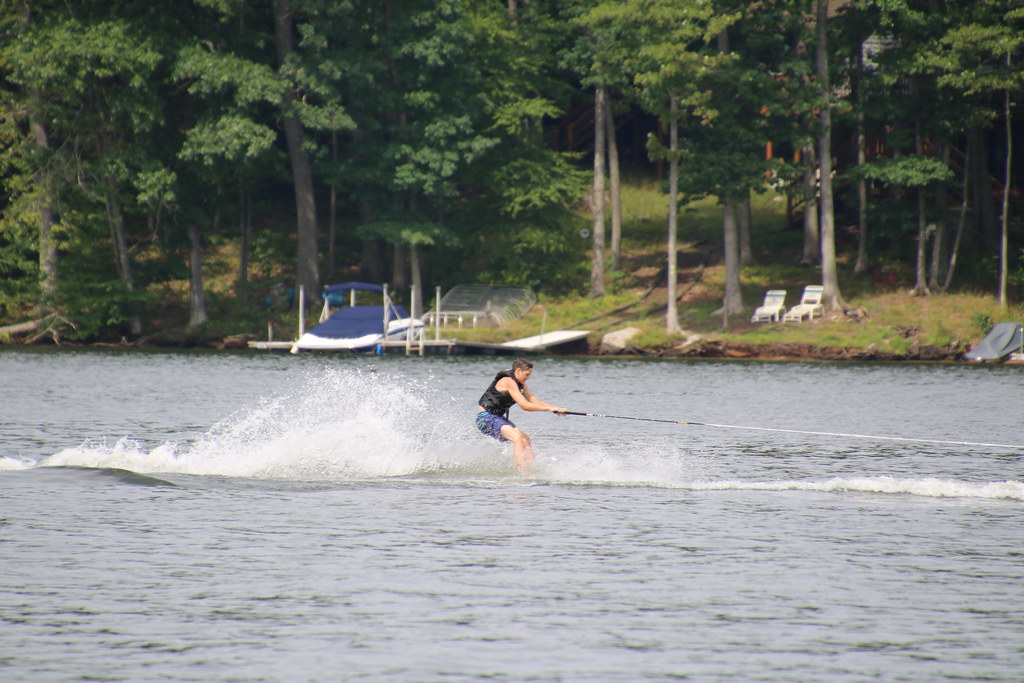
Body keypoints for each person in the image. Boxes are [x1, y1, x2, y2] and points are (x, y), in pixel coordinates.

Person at [475, 358, 567, 473]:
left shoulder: (521, 385)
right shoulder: (508, 381)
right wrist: (549, 408)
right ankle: (522, 473)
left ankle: (533, 470)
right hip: (485, 418)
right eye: (527, 374)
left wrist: (556, 408)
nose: (528, 378)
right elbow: (525, 406)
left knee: (525, 439)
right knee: (517, 437)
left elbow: (535, 402)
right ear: (518, 371)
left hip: (497, 418)